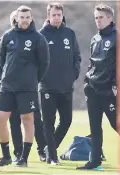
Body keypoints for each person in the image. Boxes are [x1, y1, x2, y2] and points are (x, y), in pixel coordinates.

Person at [0, 5, 50, 167]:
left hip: (28, 88)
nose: (24, 20)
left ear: (31, 19)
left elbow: (44, 64)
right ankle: (6, 156)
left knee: (27, 120)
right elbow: (1, 58)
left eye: (27, 17)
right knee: (0, 119)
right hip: (8, 87)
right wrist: (5, 77)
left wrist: (33, 79)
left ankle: (24, 158)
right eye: (21, 17)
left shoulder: (38, 39)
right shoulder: (8, 36)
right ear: (16, 18)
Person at [39, 2, 81, 165]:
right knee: (48, 123)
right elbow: (37, 61)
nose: (57, 17)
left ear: (62, 15)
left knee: (66, 120)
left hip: (66, 86)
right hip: (48, 87)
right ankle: (52, 157)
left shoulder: (69, 33)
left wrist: (74, 74)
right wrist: (42, 77)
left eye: (59, 14)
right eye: (53, 15)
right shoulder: (41, 35)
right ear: (48, 16)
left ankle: (50, 149)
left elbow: (77, 56)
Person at [76, 4, 117, 170]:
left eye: (101, 17)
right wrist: (86, 81)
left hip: (109, 90)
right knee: (94, 126)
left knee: (118, 125)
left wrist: (116, 84)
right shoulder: (95, 39)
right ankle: (95, 162)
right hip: (92, 88)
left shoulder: (118, 37)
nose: (98, 21)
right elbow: (92, 63)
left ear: (110, 19)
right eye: (96, 18)